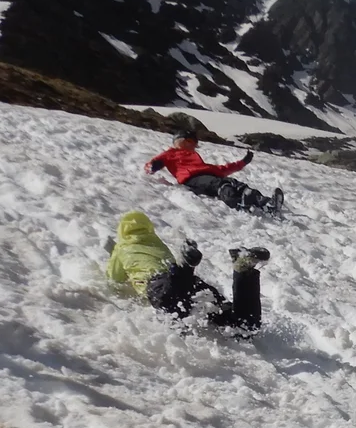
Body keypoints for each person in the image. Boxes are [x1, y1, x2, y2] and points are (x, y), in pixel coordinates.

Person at [104, 210, 267, 335]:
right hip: (193, 283)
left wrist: (114, 254)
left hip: (161, 283)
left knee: (170, 305)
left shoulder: (121, 247)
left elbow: (114, 278)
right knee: (244, 326)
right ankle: (244, 270)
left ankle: (184, 267)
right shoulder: (156, 242)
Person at [145, 131, 283, 214]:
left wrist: (243, 162)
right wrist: (153, 166)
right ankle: (238, 203)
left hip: (207, 176)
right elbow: (150, 165)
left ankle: (267, 204)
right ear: (178, 141)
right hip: (192, 180)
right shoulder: (171, 154)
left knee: (238, 184)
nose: (194, 145)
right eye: (190, 141)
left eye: (195, 142)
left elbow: (223, 169)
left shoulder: (199, 161)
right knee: (220, 184)